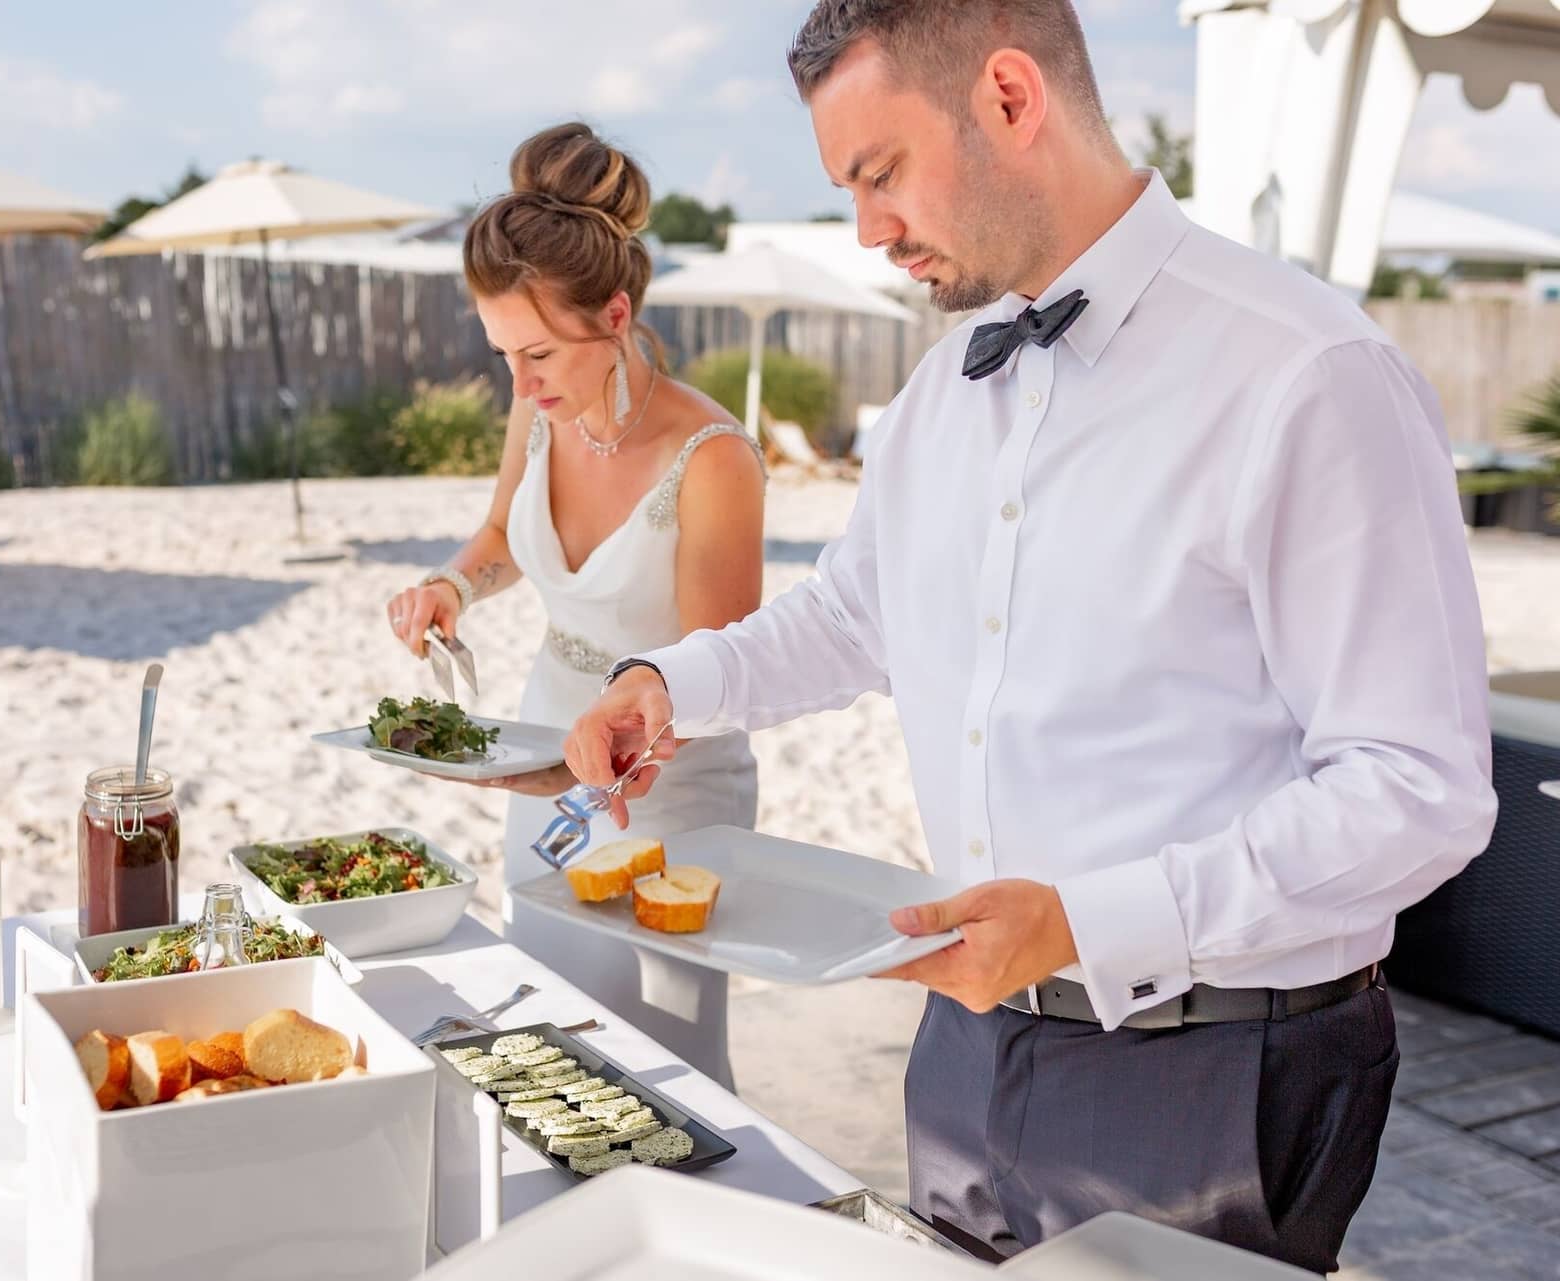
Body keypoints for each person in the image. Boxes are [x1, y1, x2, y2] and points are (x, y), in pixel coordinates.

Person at [561, 2, 1496, 1269]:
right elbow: (853, 616)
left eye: (879, 173)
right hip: (966, 1034)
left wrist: (1094, 921)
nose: (867, 229)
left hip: (1217, 1065)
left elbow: (1419, 790)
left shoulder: (1308, 373)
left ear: (1010, 97)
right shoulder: (942, 393)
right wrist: (671, 680)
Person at [384, 122, 766, 1087]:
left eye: (540, 353)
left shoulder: (712, 460)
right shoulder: (538, 407)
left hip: (664, 781)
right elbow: (506, 533)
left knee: (665, 1071)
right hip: (543, 740)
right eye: (503, 353)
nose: (519, 381)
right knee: (551, 1042)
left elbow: (721, 676)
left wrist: (604, 765)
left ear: (616, 313)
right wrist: (451, 585)